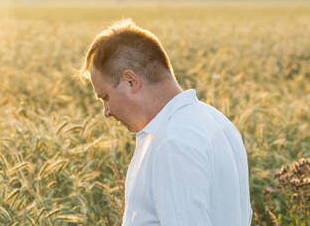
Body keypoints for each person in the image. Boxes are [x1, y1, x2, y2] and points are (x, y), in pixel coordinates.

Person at [79, 19, 252, 226]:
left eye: (106, 97)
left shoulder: (174, 141)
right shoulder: (219, 122)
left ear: (131, 81)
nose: (106, 112)